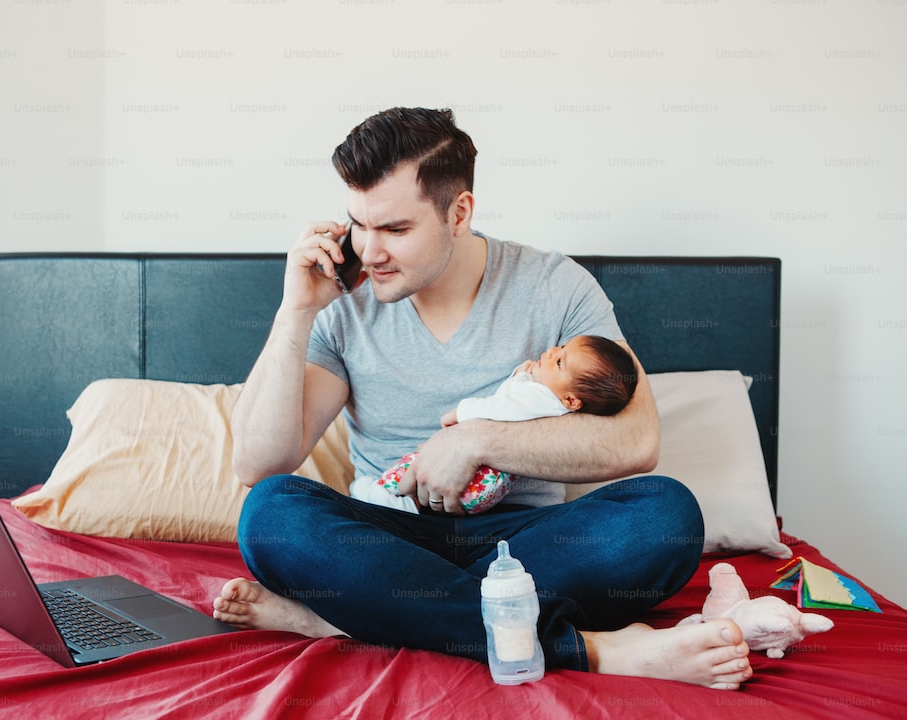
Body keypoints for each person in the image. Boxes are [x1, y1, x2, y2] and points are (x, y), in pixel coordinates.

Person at [214, 107, 752, 690]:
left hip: (526, 543)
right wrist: (296, 311)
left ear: (459, 212)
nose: (368, 252)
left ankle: (354, 614)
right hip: (389, 536)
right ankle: (587, 650)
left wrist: (473, 440)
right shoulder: (340, 301)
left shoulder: (555, 286)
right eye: (358, 225)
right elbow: (257, 463)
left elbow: (636, 441)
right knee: (271, 514)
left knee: (664, 513)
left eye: (395, 229)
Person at [372, 335, 638, 514]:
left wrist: (460, 412)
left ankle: (387, 495)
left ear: (570, 400)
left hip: (481, 477)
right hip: (488, 488)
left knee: (416, 462)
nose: (554, 351)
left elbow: (499, 408)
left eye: (559, 362)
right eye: (562, 348)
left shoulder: (540, 397)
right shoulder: (549, 401)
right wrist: (526, 373)